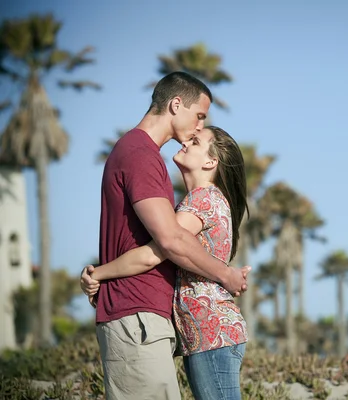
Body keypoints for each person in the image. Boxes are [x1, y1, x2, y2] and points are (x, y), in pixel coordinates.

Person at [80, 71, 250, 400]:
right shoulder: (141, 155)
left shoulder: (178, 180)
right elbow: (169, 241)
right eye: (199, 116)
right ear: (175, 105)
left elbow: (164, 244)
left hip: (159, 321)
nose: (199, 126)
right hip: (138, 315)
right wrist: (226, 275)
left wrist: (98, 274)